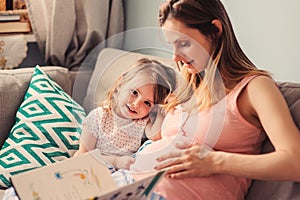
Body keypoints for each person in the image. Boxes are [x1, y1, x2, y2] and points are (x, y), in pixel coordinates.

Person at [129, 0, 300, 199]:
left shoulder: (255, 88)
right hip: (128, 185)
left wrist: (214, 161)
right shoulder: (188, 82)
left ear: (215, 30)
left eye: (184, 43)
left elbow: (295, 161)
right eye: (172, 45)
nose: (175, 56)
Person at [73, 58, 177, 171]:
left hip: (124, 176)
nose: (136, 104)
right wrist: (116, 161)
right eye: (134, 92)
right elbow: (82, 156)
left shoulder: (142, 122)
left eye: (147, 103)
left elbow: (156, 136)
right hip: (96, 169)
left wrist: (160, 111)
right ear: (121, 83)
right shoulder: (98, 117)